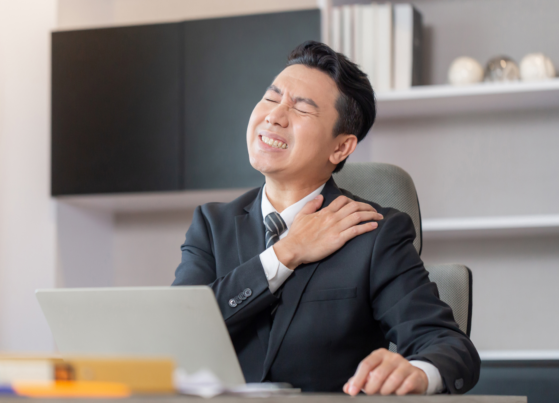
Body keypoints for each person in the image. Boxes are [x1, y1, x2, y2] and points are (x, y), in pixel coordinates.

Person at [172, 41, 480, 395]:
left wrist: (418, 373)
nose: (274, 115)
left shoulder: (373, 232)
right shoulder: (213, 225)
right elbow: (182, 329)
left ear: (341, 147)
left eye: (301, 109)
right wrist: (286, 253)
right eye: (271, 98)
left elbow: (449, 346)